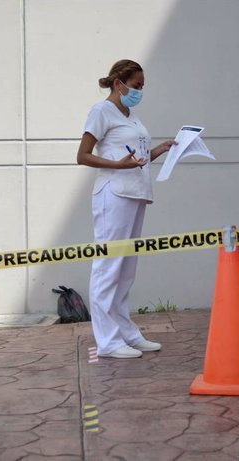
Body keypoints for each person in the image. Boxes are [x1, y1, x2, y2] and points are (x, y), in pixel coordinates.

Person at [77, 59, 176, 359]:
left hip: (135, 194)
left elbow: (138, 157)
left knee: (126, 270)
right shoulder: (101, 111)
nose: (140, 91)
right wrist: (116, 165)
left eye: (142, 87)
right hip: (113, 195)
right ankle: (107, 342)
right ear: (119, 84)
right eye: (136, 86)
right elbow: (82, 155)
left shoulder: (130, 116)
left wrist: (163, 148)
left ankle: (127, 334)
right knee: (108, 268)